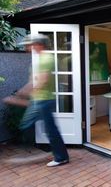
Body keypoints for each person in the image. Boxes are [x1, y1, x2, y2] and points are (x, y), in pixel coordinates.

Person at [4, 34, 69, 167]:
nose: (28, 47)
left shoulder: (46, 59)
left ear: (38, 44)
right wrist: (21, 93)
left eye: (30, 44)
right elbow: (33, 81)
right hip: (39, 100)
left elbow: (42, 81)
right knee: (27, 125)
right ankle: (54, 152)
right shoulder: (39, 59)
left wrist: (22, 95)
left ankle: (60, 157)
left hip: (44, 100)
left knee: (49, 129)